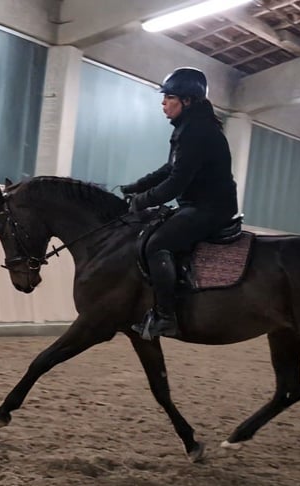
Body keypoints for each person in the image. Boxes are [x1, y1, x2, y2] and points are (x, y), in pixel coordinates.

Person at [122, 67, 239, 340]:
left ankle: (166, 317)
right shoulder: (187, 128)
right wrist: (136, 186)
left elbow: (177, 182)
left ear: (187, 101)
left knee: (157, 243)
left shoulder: (196, 131)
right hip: (197, 204)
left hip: (210, 208)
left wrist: (141, 200)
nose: (163, 103)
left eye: (169, 98)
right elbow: (170, 168)